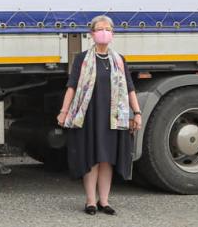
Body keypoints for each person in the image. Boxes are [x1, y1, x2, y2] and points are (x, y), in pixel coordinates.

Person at [56, 15, 142, 214]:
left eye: (107, 29)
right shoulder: (82, 59)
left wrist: (136, 112)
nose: (104, 32)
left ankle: (104, 201)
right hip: (89, 115)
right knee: (92, 158)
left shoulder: (119, 60)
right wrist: (64, 111)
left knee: (106, 158)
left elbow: (129, 88)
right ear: (92, 33)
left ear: (112, 33)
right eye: (100, 29)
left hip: (113, 116)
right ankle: (90, 201)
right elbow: (72, 86)